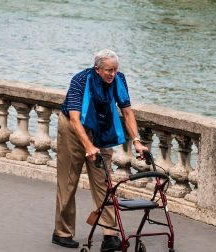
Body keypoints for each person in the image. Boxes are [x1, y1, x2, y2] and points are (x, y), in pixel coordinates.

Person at [52, 49, 148, 251]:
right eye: (108, 70)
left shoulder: (119, 80)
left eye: (115, 69)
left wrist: (137, 141)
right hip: (73, 129)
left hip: (101, 129)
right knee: (68, 181)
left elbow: (127, 112)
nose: (112, 74)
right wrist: (88, 146)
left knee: (104, 182)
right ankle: (62, 232)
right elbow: (75, 119)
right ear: (97, 69)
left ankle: (109, 235)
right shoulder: (80, 80)